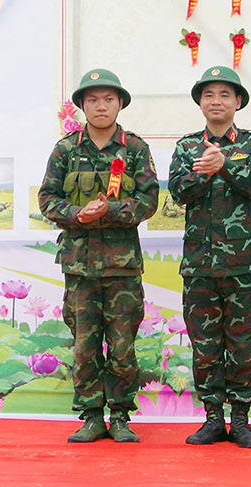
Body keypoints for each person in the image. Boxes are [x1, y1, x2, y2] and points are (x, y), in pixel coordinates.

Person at [38, 69, 160, 443]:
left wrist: (108, 212)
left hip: (122, 267)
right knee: (85, 346)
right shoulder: (65, 149)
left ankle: (121, 415)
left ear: (120, 103)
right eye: (92, 99)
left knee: (123, 347)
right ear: (82, 106)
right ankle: (92, 415)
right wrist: (77, 215)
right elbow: (47, 199)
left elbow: (149, 201)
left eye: (108, 99)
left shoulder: (135, 149)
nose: (101, 106)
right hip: (79, 267)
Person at [167, 66, 251, 448]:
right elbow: (178, 191)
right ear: (200, 102)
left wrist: (226, 165)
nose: (216, 101)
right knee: (205, 346)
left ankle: (241, 419)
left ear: (238, 102)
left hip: (243, 265)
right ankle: (213, 418)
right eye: (209, 94)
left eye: (225, 95)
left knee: (242, 344)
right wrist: (204, 173)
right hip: (199, 265)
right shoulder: (186, 146)